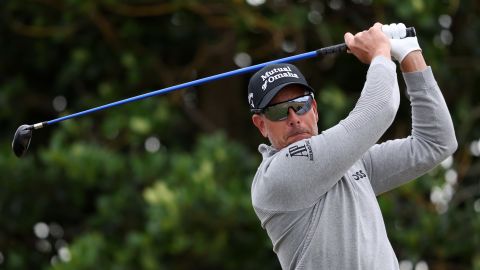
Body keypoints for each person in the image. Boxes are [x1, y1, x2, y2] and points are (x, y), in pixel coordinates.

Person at [247, 22, 457, 270]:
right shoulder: (276, 177)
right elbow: (380, 110)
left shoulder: (352, 162)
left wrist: (410, 54)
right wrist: (380, 52)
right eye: (279, 111)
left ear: (314, 110)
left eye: (301, 105)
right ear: (261, 125)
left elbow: (435, 143)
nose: (294, 117)